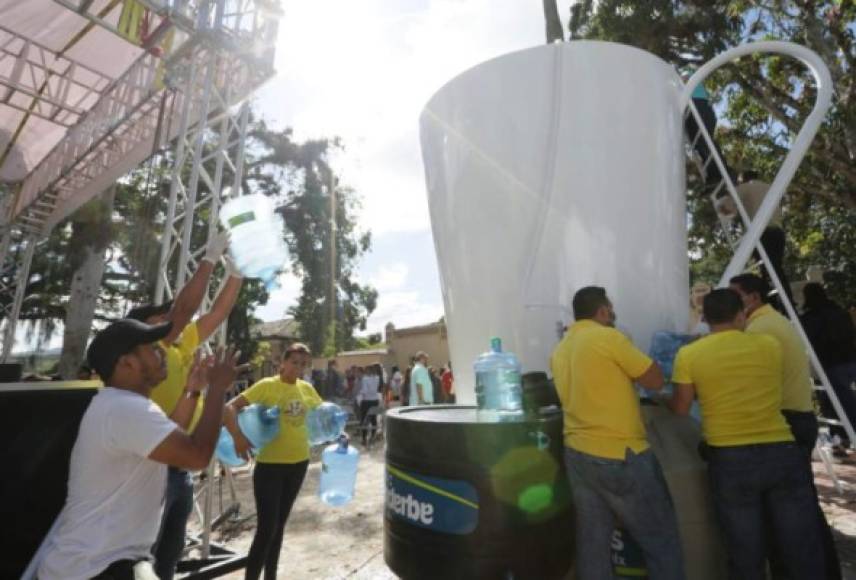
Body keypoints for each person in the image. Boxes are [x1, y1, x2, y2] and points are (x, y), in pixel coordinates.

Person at [36, 319, 240, 580]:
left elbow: (172, 438)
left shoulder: (121, 404)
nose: (163, 353)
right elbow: (196, 455)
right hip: (95, 568)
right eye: (153, 349)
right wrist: (217, 390)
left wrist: (193, 391)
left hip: (99, 564)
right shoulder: (125, 409)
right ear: (127, 363)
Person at [668, 289, 824, 578]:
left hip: (730, 459)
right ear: (741, 315)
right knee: (800, 545)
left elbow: (680, 407)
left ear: (704, 318)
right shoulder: (768, 346)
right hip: (781, 451)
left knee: (744, 551)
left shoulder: (689, 355)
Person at [126, 230, 242, 580]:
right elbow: (185, 308)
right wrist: (209, 259)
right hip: (150, 468)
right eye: (159, 319)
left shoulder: (179, 348)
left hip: (179, 469)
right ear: (140, 328)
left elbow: (218, 312)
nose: (169, 321)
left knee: (168, 559)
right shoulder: (147, 349)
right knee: (140, 559)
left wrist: (236, 272)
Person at [550, 286, 684, 580]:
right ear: (602, 311)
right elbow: (654, 379)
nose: (612, 313)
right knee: (661, 541)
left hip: (578, 454)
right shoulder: (609, 338)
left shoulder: (560, 349)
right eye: (610, 308)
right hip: (621, 454)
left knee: (593, 546)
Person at [730, 273, 841, 578]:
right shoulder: (773, 322)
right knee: (804, 510)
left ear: (751, 298)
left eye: (734, 295)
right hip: (797, 418)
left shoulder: (760, 329)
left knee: (792, 517)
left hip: (787, 422)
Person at [224, 343, 322, 580]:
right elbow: (229, 408)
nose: (298, 368)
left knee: (278, 528)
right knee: (266, 529)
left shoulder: (307, 389)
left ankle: (271, 576)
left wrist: (338, 431)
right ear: (282, 362)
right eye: (294, 362)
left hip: (299, 463)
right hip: (270, 466)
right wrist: (238, 437)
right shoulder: (267, 386)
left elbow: (322, 416)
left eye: (303, 364)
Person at [715, 172, 792, 308]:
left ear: (744, 178)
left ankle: (772, 303)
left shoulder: (745, 187)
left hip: (761, 233)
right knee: (776, 269)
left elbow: (726, 205)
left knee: (767, 270)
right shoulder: (771, 187)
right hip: (778, 233)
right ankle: (787, 302)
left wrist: (722, 209)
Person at [801, 282, 856, 450]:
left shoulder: (810, 318)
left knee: (834, 404)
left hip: (830, 365)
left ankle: (841, 439)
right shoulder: (839, 312)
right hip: (850, 360)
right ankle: (843, 438)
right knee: (847, 402)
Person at [357, 364, 382, 445]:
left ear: (368, 371)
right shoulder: (377, 377)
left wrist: (360, 393)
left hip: (366, 401)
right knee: (373, 419)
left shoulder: (365, 379)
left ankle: (364, 439)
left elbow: (365, 391)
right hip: (375, 400)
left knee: (364, 420)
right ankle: (372, 436)